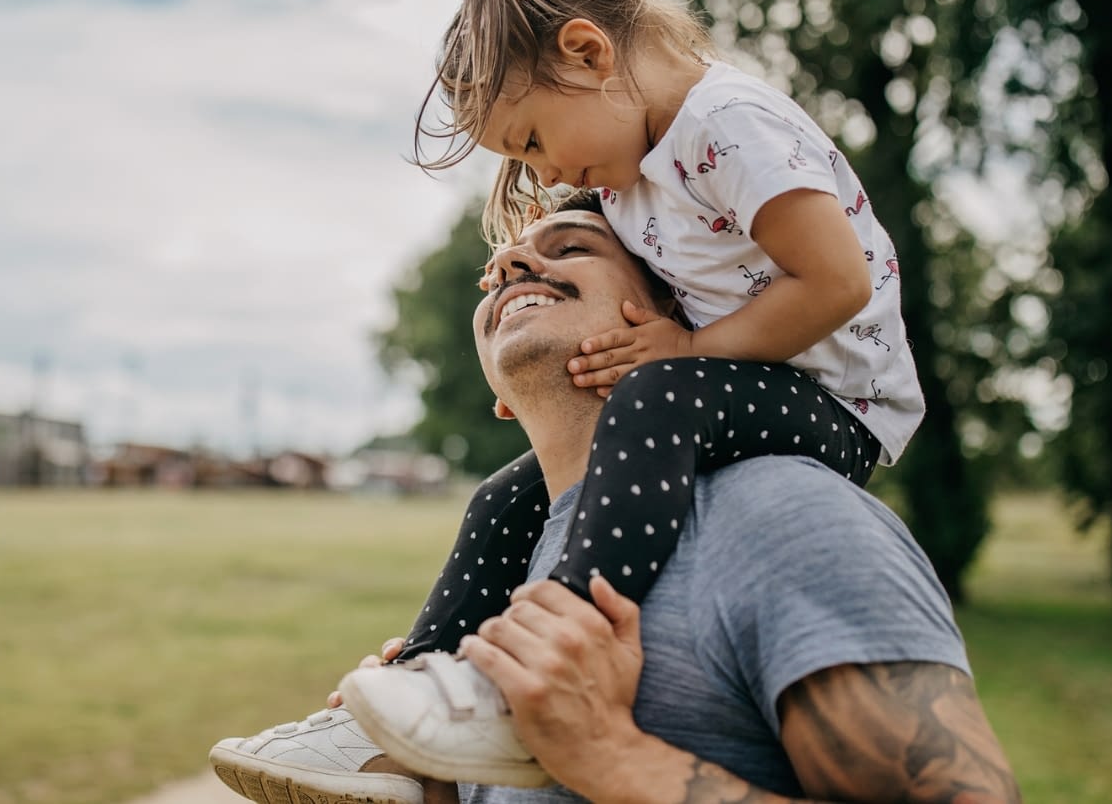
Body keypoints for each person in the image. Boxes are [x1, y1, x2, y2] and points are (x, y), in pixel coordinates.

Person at [337, 0, 928, 780]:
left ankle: (552, 656)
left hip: (838, 402)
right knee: (506, 496)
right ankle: (409, 704)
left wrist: (687, 348)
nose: (541, 170)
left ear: (587, 51)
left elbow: (836, 282)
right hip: (745, 380)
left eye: (533, 139)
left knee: (660, 392)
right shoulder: (634, 169)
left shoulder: (729, 124)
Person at [210, 199, 1021, 804]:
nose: (514, 268)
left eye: (572, 246)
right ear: (498, 393)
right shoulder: (516, 556)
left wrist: (607, 751)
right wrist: (443, 785)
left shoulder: (784, 516)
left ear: (675, 314)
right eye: (497, 273)